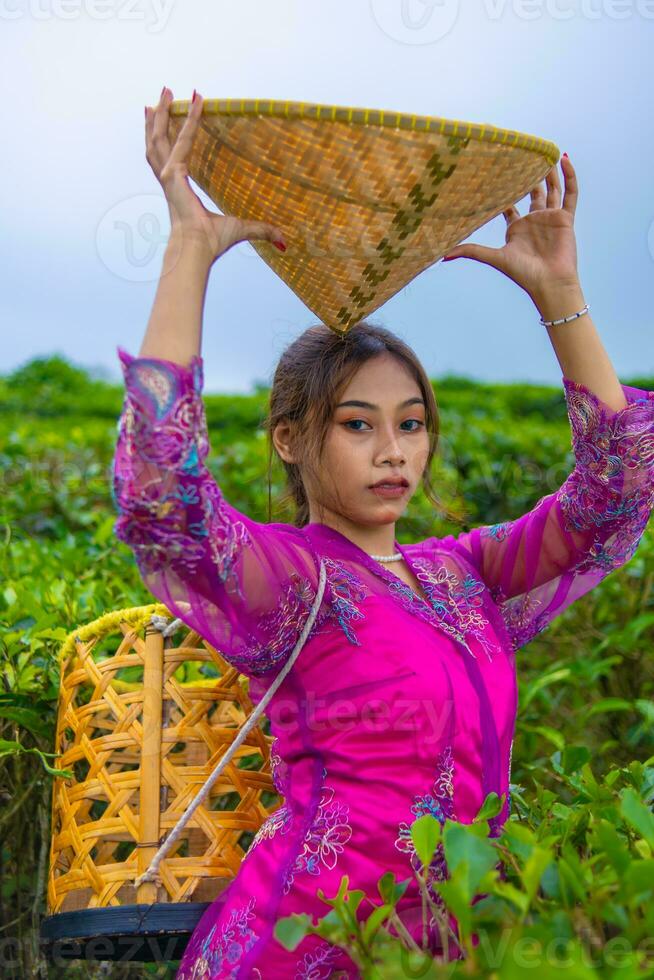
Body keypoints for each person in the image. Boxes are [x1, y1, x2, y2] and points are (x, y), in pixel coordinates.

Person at [111, 86, 654, 979]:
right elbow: (164, 494)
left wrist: (561, 291)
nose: (393, 450)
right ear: (291, 439)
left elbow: (618, 489)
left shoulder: (467, 572)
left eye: (410, 423)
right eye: (357, 425)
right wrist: (190, 250)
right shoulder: (293, 577)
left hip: (453, 949)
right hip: (304, 945)